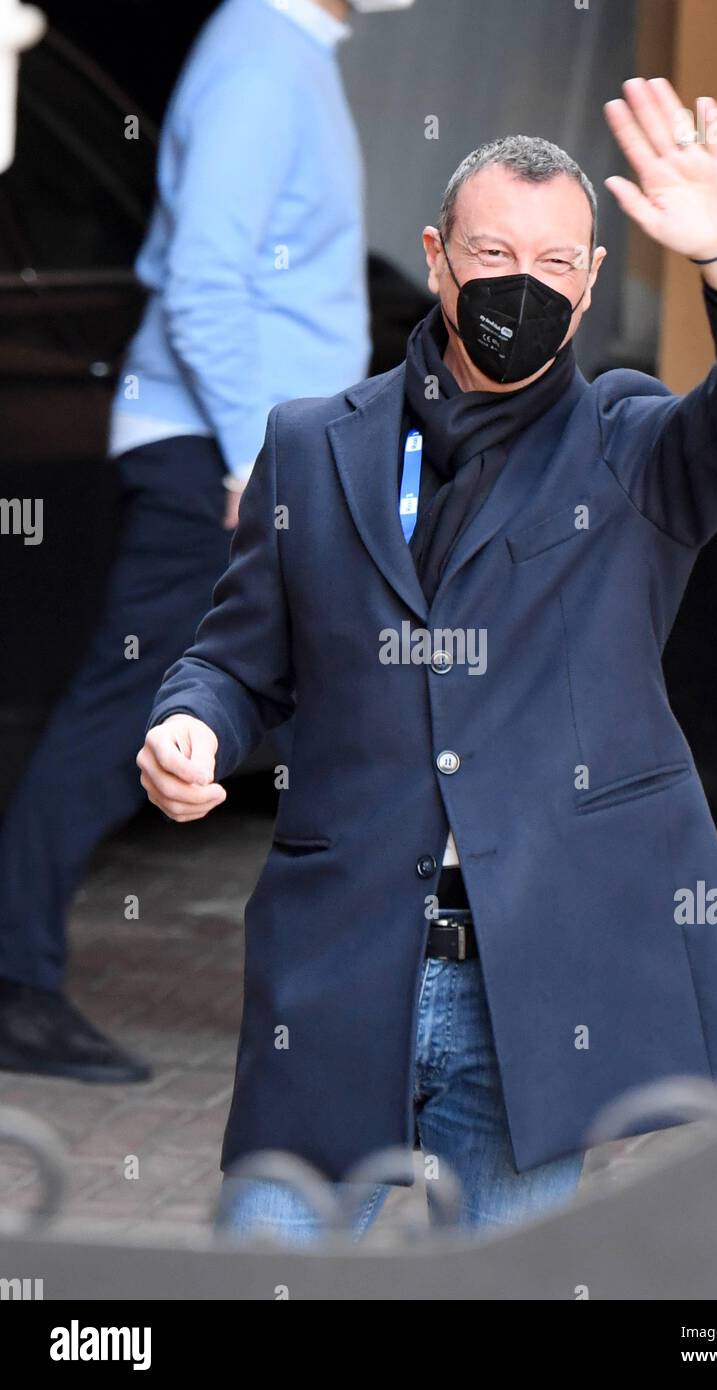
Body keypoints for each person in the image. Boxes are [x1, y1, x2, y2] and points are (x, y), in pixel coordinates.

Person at [137, 78, 717, 1241]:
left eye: (558, 263)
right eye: (494, 249)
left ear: (593, 280)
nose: (525, 282)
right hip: (338, 960)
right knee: (260, 1270)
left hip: (530, 980)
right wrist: (191, 720)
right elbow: (236, 657)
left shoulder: (630, 446)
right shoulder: (313, 443)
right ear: (437, 255)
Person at [0, 0, 399, 1081]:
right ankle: (13, 984)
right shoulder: (261, 56)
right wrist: (246, 458)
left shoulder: (286, 52)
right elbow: (203, 280)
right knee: (123, 713)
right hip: (219, 459)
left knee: (349, 710)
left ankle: (361, 999)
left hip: (259, 453)